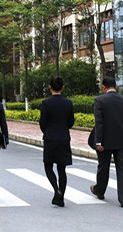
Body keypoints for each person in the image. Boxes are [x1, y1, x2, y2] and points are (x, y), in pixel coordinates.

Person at [89, 76, 123, 208]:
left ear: (104, 88)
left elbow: (99, 122)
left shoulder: (99, 100)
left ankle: (99, 191)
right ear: (116, 87)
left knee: (103, 167)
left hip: (105, 140)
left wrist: (98, 141)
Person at [39, 76, 75, 207]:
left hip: (50, 138)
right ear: (62, 87)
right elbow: (71, 122)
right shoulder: (68, 103)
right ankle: (61, 197)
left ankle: (56, 190)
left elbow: (42, 123)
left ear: (50, 87)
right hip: (64, 138)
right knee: (62, 168)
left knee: (48, 166)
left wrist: (48, 131)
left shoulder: (46, 103)